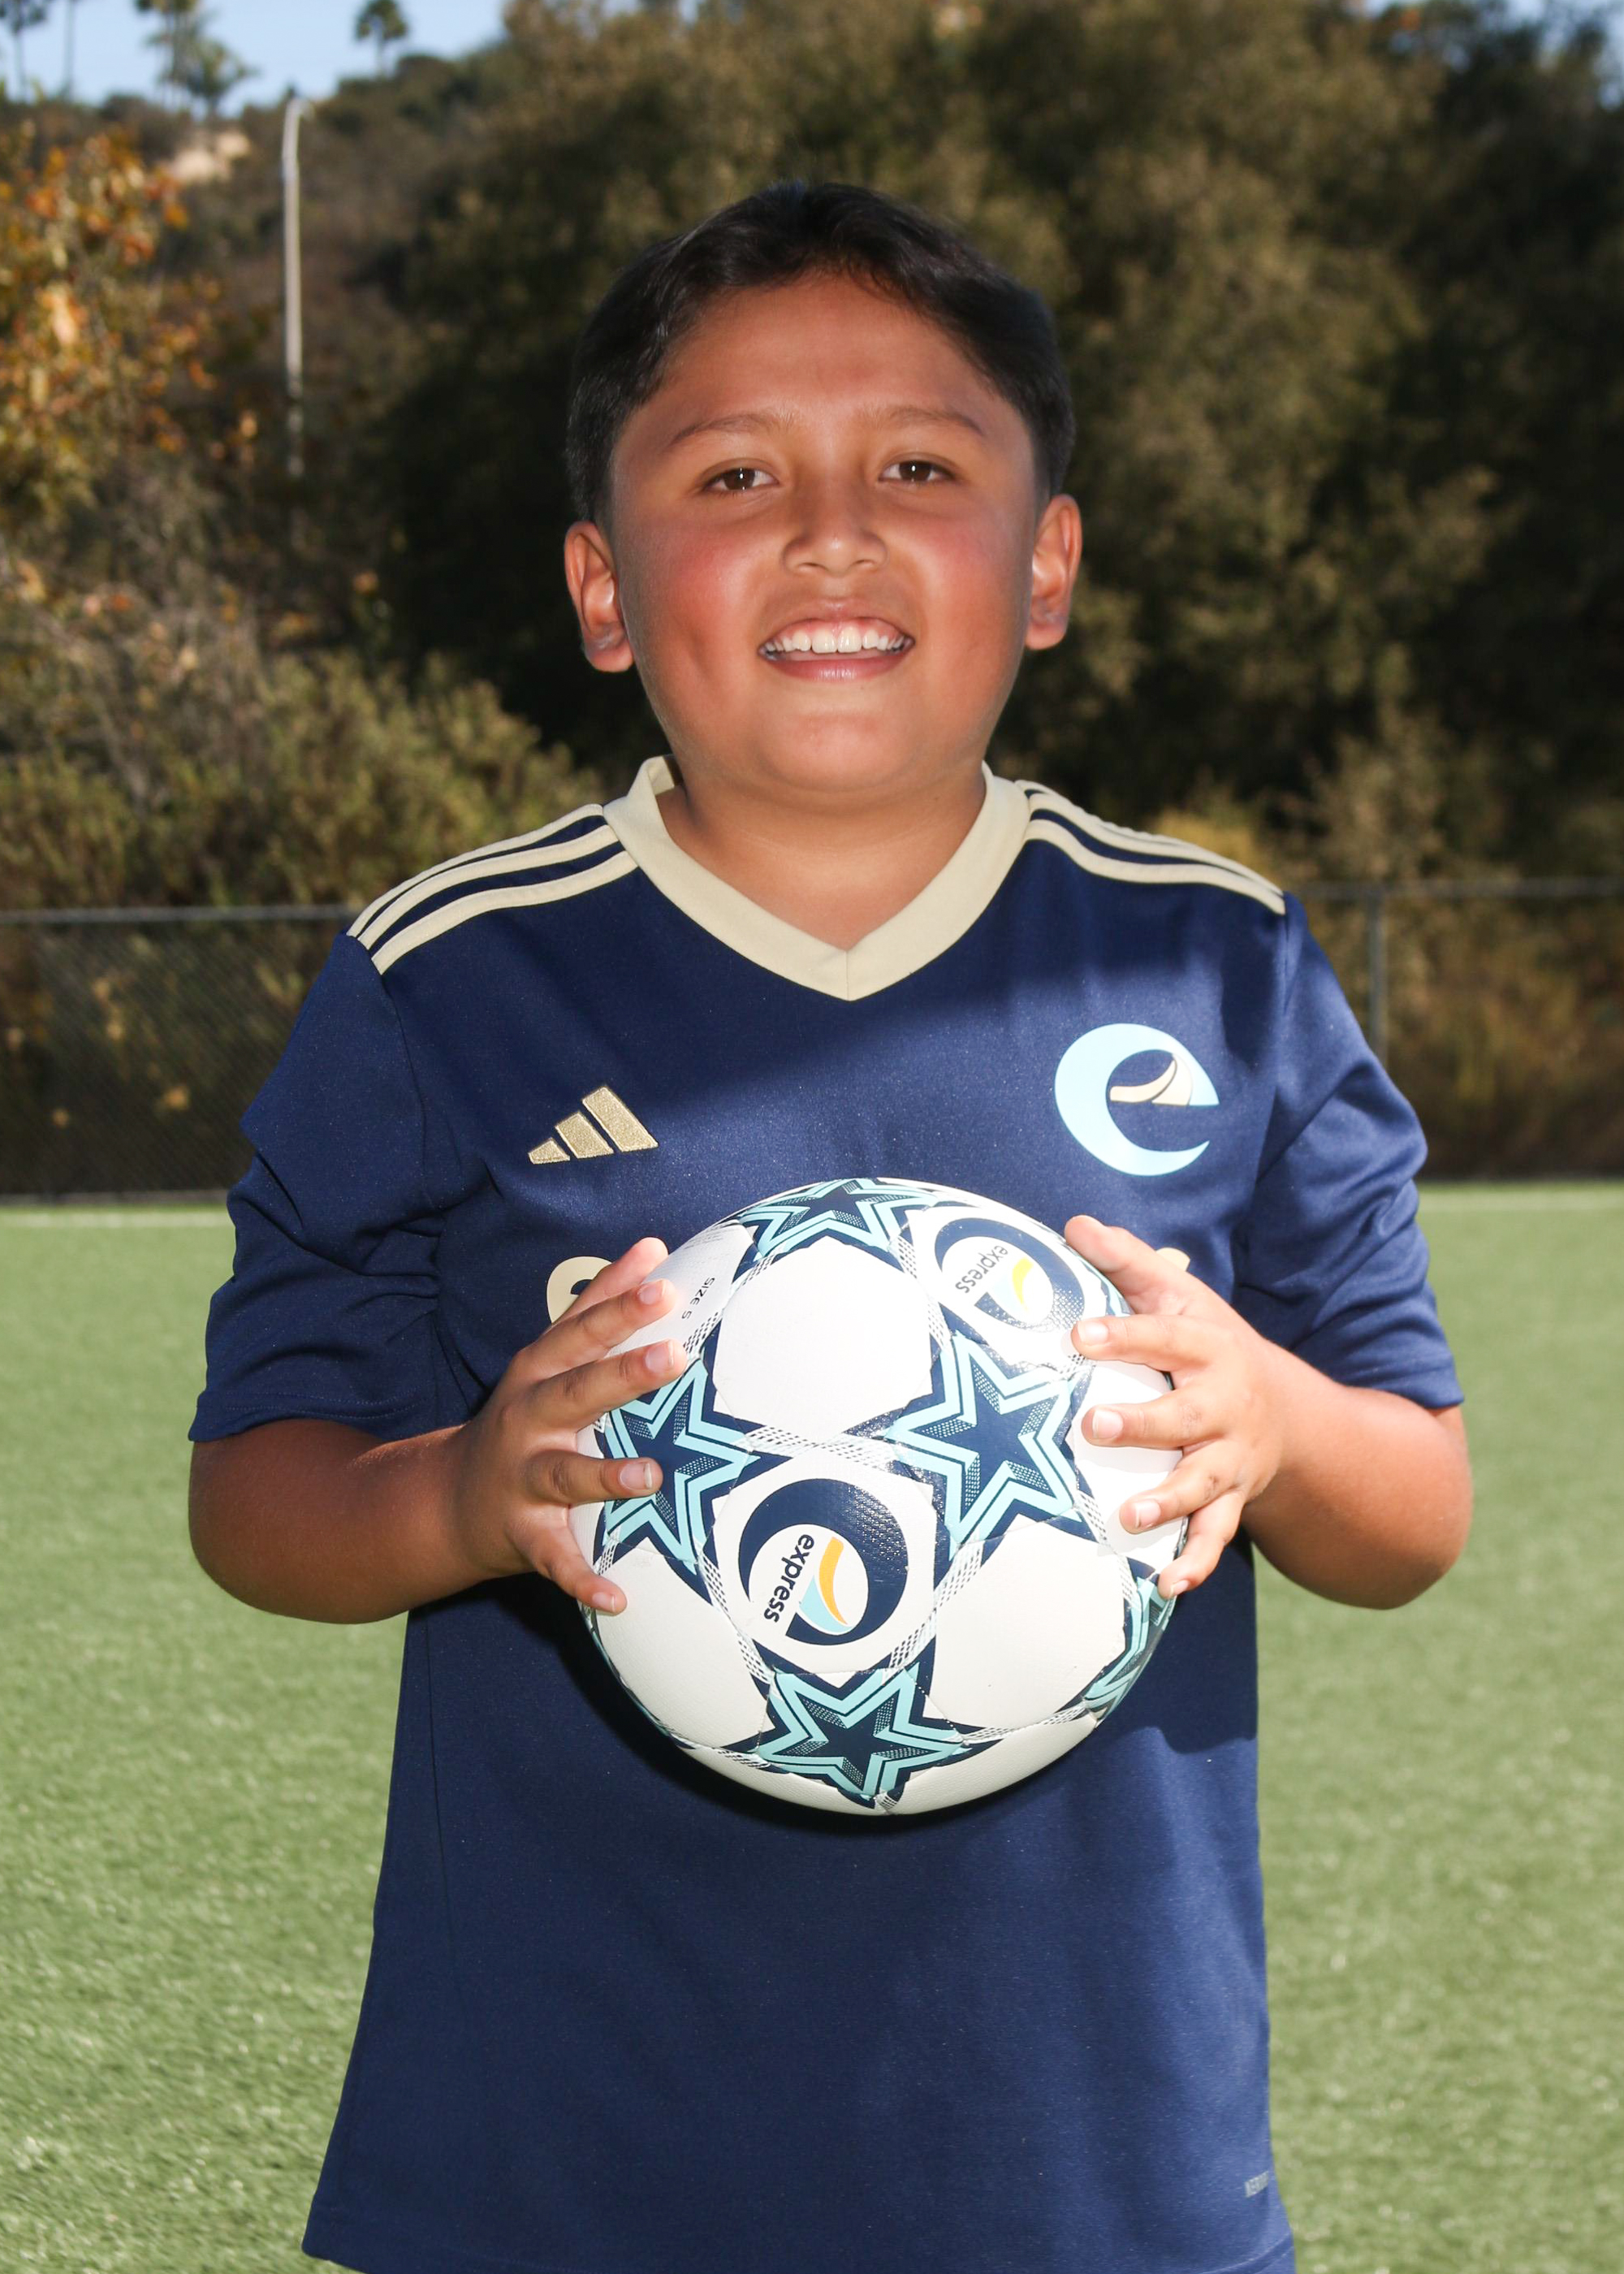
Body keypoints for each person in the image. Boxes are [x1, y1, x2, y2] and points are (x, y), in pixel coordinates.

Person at [188, 179, 1471, 2274]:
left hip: (1096, 2166)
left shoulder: (1217, 963)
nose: (833, 530)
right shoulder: (444, 980)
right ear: (604, 588)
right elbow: (255, 1495)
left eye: (922, 468)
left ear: (1046, 564)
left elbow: (1415, 1508)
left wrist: (1276, 1423)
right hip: (563, 2161)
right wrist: (461, 1496)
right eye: (733, 475)